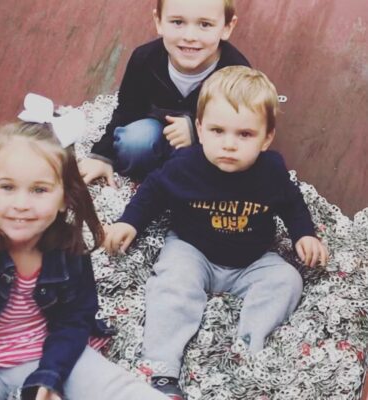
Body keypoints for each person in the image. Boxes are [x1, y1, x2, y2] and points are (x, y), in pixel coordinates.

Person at [0, 94, 170, 400]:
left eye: (39, 190)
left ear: (64, 196)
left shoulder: (69, 251)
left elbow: (74, 318)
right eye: (7, 187)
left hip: (42, 352)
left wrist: (50, 374)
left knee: (112, 385)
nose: (21, 205)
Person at [103, 66, 329, 400]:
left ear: (267, 137)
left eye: (245, 135)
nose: (228, 144)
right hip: (193, 249)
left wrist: (303, 235)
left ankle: (247, 348)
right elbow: (153, 191)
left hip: (251, 261)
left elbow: (292, 202)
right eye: (218, 130)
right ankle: (162, 369)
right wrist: (129, 222)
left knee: (287, 280)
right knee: (172, 283)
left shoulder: (271, 171)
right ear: (200, 129)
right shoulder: (185, 165)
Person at [79, 0, 250, 186]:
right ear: (159, 21)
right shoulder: (144, 59)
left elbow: (240, 128)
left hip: (204, 148)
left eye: (205, 24)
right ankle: (150, 183)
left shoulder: (236, 72)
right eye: (177, 22)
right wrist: (102, 156)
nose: (190, 36)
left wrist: (195, 129)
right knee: (134, 141)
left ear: (227, 27)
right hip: (155, 135)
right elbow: (127, 110)